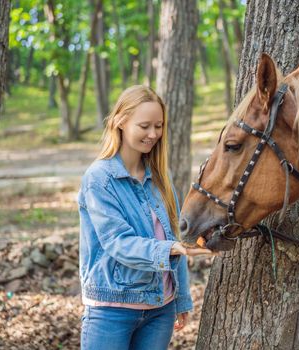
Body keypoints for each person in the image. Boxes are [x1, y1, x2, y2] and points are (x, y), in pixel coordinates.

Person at [77, 85, 213, 350]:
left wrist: (181, 298)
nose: (153, 134)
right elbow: (118, 243)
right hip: (111, 310)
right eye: (144, 126)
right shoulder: (99, 179)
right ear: (120, 122)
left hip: (160, 311)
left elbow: (174, 235)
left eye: (159, 126)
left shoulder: (159, 176)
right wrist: (173, 248)